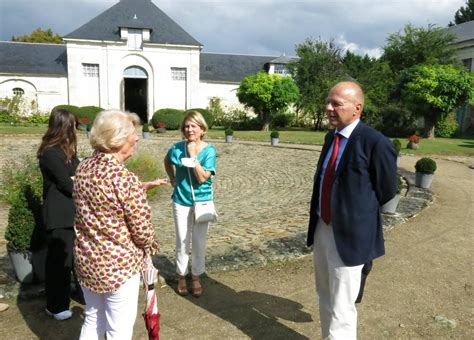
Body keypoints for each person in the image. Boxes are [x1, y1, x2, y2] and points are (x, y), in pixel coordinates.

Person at [307, 81, 397, 339]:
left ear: (357, 108)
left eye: (336, 103)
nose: (328, 108)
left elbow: (386, 190)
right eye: (328, 102)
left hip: (350, 235)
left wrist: (353, 214)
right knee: (325, 294)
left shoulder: (375, 142)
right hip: (323, 228)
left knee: (342, 305)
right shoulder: (330, 137)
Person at [73, 110, 165, 339]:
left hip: (87, 260)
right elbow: (142, 231)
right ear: (118, 140)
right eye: (133, 133)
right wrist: (151, 245)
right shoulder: (124, 178)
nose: (136, 138)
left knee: (93, 318)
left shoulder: (83, 168)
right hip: (118, 266)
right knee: (119, 330)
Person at [164, 111, 217, 298]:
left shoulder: (209, 151)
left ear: (202, 129)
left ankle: (195, 276)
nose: (189, 129)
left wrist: (194, 156)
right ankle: (181, 275)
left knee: (199, 241)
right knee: (182, 239)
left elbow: (203, 178)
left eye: (194, 126)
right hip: (181, 200)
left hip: (202, 202)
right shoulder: (177, 148)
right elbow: (167, 161)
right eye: (186, 126)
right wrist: (172, 178)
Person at [38, 108, 80, 321]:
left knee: (73, 259)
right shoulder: (50, 152)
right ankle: (55, 306)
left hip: (71, 212)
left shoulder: (68, 151)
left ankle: (75, 294)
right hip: (58, 214)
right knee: (58, 262)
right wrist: (75, 181)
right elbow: (66, 183)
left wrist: (76, 180)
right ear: (63, 126)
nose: (75, 129)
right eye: (72, 125)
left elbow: (78, 176)